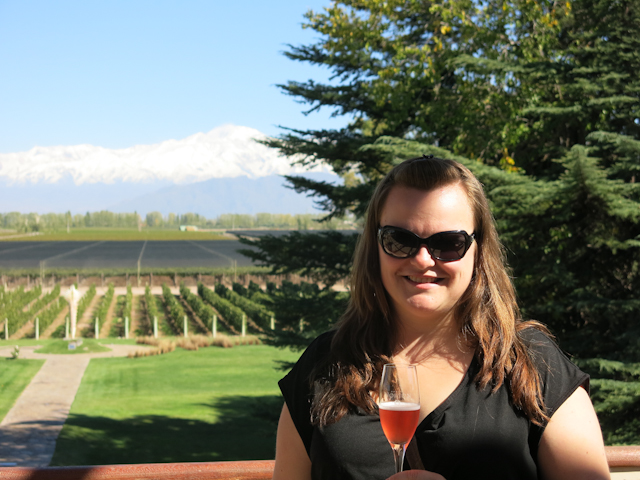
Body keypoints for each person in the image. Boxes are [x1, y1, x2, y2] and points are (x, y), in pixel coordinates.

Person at [274, 156, 610, 480]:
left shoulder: (533, 365)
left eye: (449, 243)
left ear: (478, 253)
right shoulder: (323, 366)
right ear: (375, 249)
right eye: (399, 240)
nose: (422, 260)